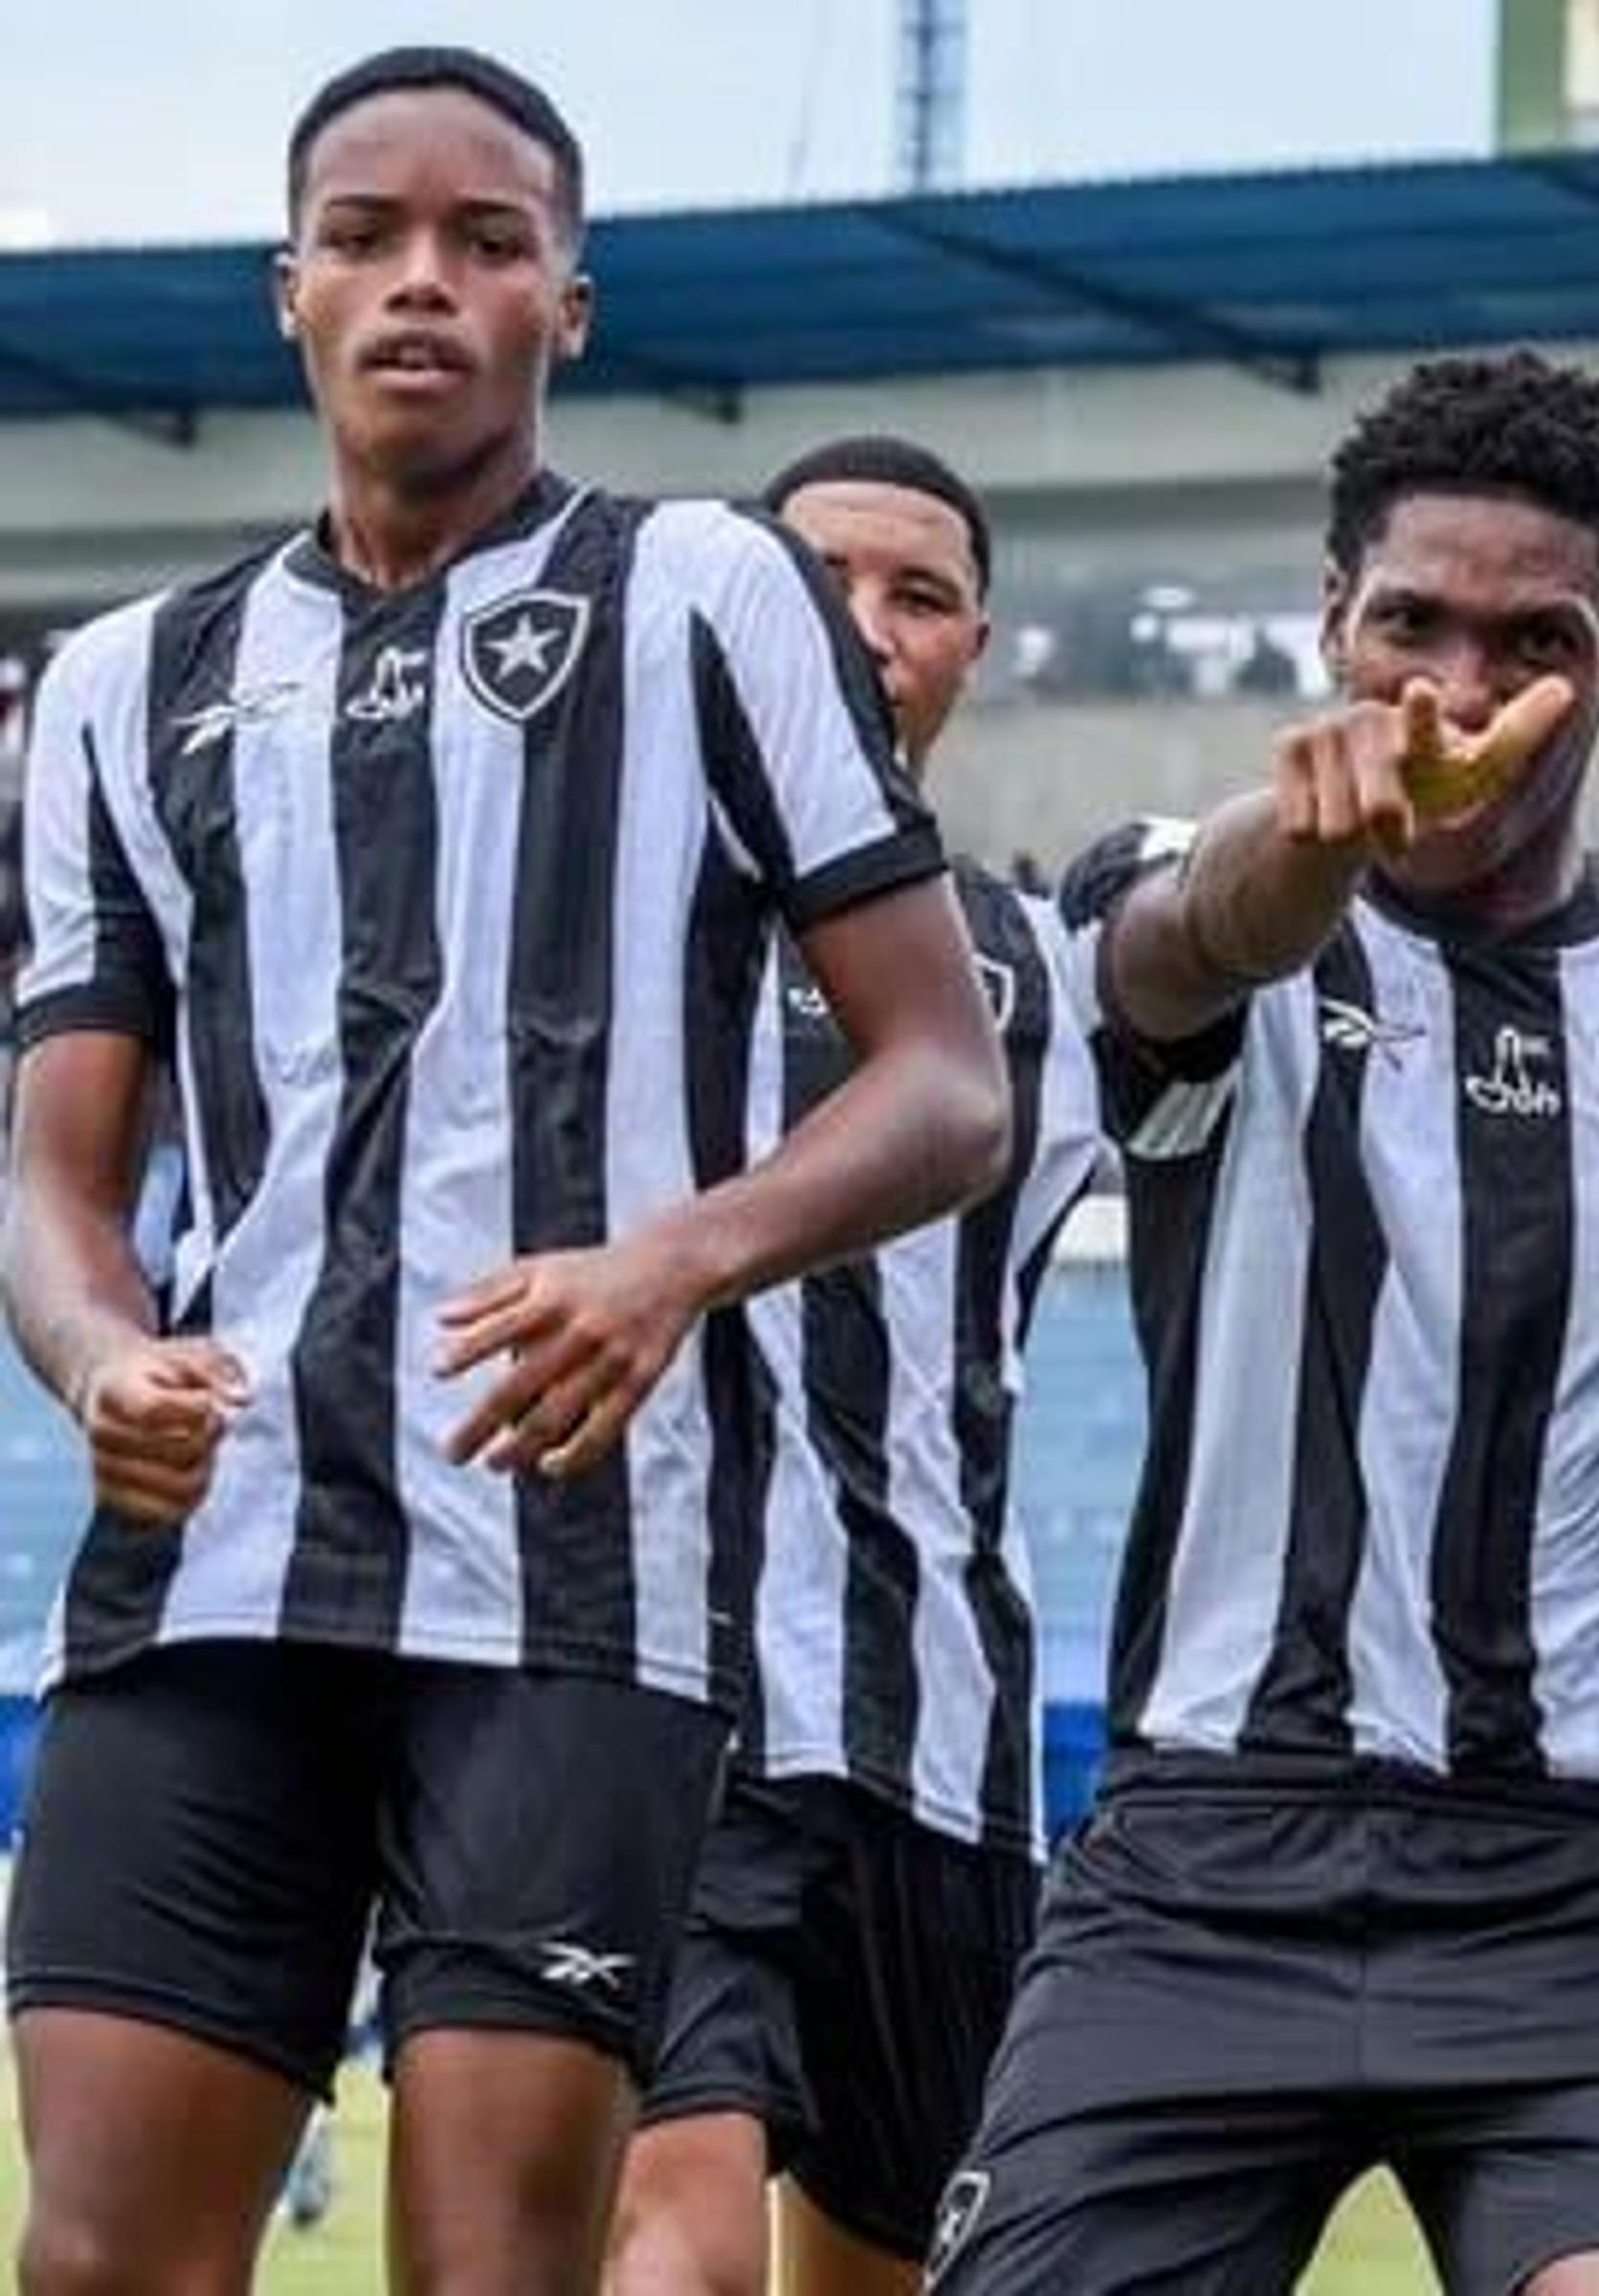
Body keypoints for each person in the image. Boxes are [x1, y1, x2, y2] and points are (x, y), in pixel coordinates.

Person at [2, 46, 1008, 2296]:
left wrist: (670, 1265)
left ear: (574, 300)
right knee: (97, 2264)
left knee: (494, 2274)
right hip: (214, 1578)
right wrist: (90, 1355)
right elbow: (59, 1169)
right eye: (364, 240)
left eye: (486, 242)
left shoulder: (715, 601)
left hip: (575, 1587)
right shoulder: (115, 686)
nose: (420, 285)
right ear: (289, 296)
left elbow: (948, 1086)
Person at [931, 350, 1599, 2296]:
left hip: (1582, 1885)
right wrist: (1313, 840)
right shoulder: (1209, 892)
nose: (1458, 686)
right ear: (1331, 622)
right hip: (1203, 1864)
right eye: (1407, 625)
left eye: (1535, 638)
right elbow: (1180, 954)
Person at [605, 436, 1105, 2296]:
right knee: (679, 2236)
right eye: (823, 586)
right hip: (662, 1694)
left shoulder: (1036, 973)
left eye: (922, 600)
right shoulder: (611, 920)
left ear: (977, 648)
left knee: (894, 2272)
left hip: (943, 1740)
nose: (871, 636)